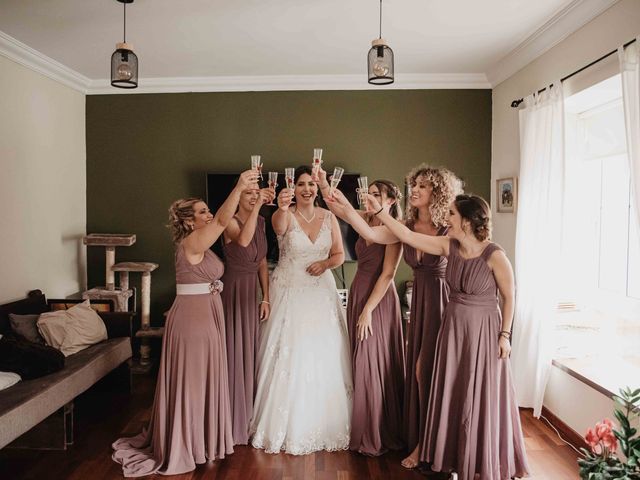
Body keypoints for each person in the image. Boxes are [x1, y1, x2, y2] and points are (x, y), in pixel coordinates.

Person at [340, 191, 530, 480]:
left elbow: (509, 295)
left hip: (484, 332)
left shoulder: (496, 255)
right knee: (452, 389)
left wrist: (505, 335)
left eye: (452, 215)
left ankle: (484, 457)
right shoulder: (447, 246)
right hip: (452, 328)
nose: (447, 219)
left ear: (466, 221)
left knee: (479, 392)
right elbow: (404, 233)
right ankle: (451, 456)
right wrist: (379, 212)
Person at [112, 170, 258, 477]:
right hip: (193, 319)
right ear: (189, 221)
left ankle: (202, 441)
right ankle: (187, 443)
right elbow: (221, 221)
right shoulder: (192, 241)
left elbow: (234, 234)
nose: (209, 214)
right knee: (192, 381)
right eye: (202, 211)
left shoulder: (202, 245)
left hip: (207, 314)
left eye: (207, 209)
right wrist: (239, 186)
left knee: (206, 378)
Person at [326, 165, 462, 468]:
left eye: (423, 186)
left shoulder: (447, 227)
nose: (414, 190)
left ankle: (433, 447)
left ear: (437, 193)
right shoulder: (405, 223)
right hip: (421, 304)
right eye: (413, 184)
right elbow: (368, 230)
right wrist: (332, 192)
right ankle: (418, 443)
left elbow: (389, 271)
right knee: (417, 374)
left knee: (427, 373)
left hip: (442, 301)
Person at [250, 166, 353, 455]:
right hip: (289, 293)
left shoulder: (329, 216)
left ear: (317, 188)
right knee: (290, 354)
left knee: (324, 353)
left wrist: (325, 264)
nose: (307, 188)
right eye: (301, 184)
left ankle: (326, 420)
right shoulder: (283, 215)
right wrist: (282, 207)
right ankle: (286, 423)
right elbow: (280, 228)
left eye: (311, 184)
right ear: (292, 188)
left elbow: (338, 255)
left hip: (321, 292)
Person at [319, 174, 405, 456]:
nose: (370, 199)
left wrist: (368, 309)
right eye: (368, 193)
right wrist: (322, 182)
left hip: (378, 300)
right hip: (358, 291)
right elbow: (337, 207)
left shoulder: (396, 230)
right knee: (360, 357)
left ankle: (376, 433)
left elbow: (389, 273)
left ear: (391, 200)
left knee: (372, 360)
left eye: (377, 195)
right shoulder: (365, 218)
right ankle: (365, 426)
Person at [221, 186, 274, 445]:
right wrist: (255, 210)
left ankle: (248, 416)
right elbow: (242, 240)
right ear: (237, 196)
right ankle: (229, 419)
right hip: (232, 289)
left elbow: (262, 262)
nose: (254, 198)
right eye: (248, 194)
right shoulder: (228, 220)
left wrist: (266, 296)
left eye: (257, 194)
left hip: (251, 290)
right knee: (233, 352)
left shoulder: (262, 221)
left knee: (249, 351)